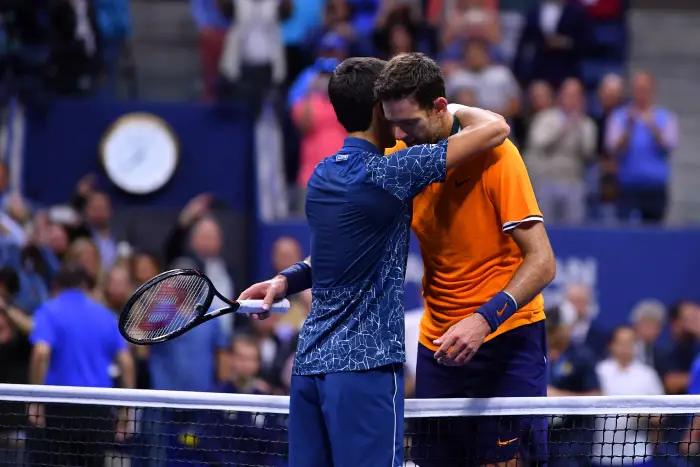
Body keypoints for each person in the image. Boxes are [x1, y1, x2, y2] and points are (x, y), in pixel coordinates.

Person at [238, 55, 510, 467]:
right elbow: (496, 129)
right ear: (376, 110)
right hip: (365, 372)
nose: (400, 123)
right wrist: (447, 106)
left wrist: (286, 279)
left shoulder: (323, 174)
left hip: (310, 366)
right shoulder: (391, 172)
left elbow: (335, 255)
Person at [377, 52, 555, 466]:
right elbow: (356, 245)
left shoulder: (498, 156)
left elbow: (543, 261)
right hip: (440, 347)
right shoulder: (402, 161)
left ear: (440, 107)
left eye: (410, 123)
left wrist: (483, 319)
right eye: (394, 124)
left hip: (507, 338)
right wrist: (291, 278)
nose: (401, 135)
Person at [26, 263, 135, 467]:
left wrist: (35, 400)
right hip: (98, 409)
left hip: (58, 409)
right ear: (86, 286)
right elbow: (127, 362)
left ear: (56, 285)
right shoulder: (105, 315)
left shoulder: (49, 310)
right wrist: (126, 409)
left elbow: (41, 352)